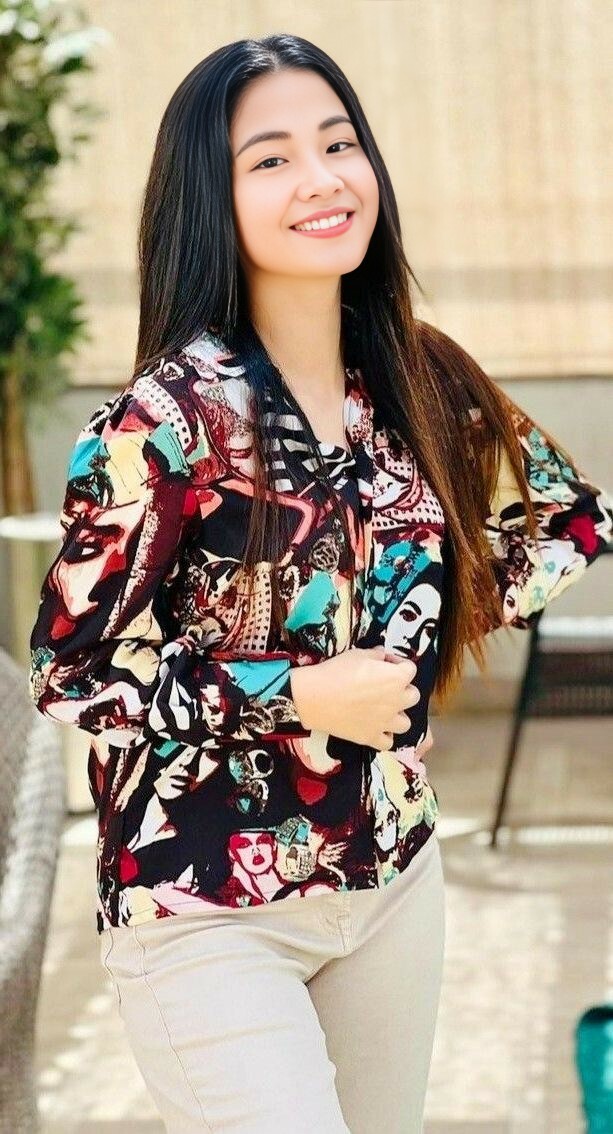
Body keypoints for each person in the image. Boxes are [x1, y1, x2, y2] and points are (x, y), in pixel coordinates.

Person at [29, 32, 613, 1134]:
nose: (321, 178)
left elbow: (566, 521)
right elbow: (70, 671)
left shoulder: (415, 373)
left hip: (390, 882)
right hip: (202, 901)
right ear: (211, 198)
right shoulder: (163, 423)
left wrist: (414, 642)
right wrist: (299, 694)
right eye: (272, 158)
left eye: (339, 144)